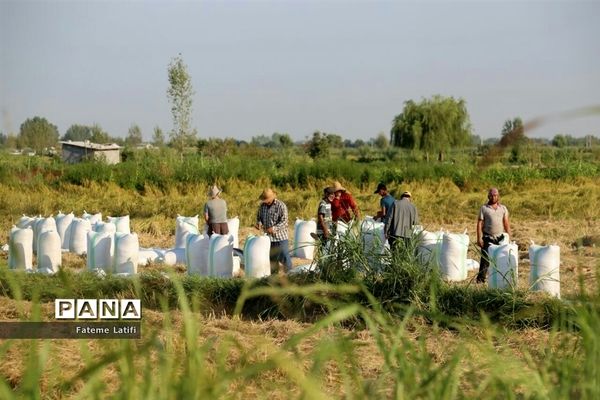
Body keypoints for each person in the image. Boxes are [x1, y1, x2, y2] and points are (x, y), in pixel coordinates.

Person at [476, 187, 511, 283]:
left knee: (501, 259)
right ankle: (480, 280)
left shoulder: (503, 208)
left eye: (495, 195)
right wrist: (479, 238)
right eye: (491, 195)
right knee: (485, 259)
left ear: (498, 196)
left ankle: (500, 280)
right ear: (488, 196)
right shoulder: (484, 208)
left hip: (500, 238)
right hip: (488, 237)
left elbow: (506, 223)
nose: (493, 197)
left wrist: (509, 237)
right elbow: (479, 224)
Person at [255, 188, 292, 273]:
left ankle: (291, 276)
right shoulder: (262, 206)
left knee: (285, 258)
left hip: (280, 238)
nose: (266, 201)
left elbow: (284, 221)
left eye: (267, 199)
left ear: (272, 197)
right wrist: (259, 223)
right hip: (268, 238)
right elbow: (259, 217)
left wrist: (274, 228)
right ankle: (274, 279)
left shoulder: (281, 205)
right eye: (264, 200)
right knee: (272, 260)